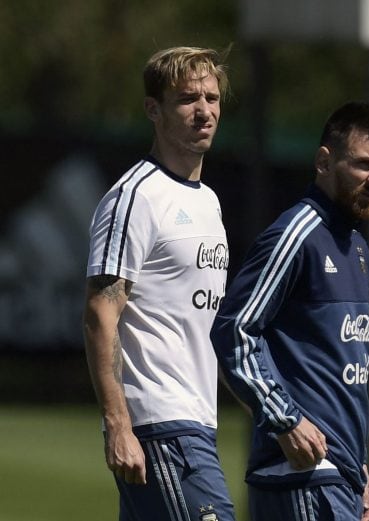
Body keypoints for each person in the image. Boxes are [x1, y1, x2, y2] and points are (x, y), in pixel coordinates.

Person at [210, 101, 369, 521]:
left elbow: (338, 371)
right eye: (364, 164)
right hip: (300, 475)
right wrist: (285, 420)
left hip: (337, 475)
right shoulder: (297, 235)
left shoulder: (358, 247)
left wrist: (356, 468)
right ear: (324, 161)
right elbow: (234, 331)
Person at [82, 46, 235, 521]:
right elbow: (100, 311)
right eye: (188, 98)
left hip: (196, 421)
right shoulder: (135, 197)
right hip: (160, 424)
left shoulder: (208, 201)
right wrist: (118, 423)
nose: (204, 110)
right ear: (154, 109)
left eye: (211, 97)